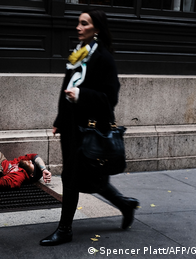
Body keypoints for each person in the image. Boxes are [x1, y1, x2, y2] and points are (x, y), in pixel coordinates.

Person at [39, 9, 139, 246]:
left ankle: (65, 230)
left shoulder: (104, 58)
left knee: (73, 178)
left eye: (84, 24)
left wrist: (82, 95)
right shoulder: (80, 52)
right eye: (78, 23)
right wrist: (59, 120)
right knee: (88, 177)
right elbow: (67, 86)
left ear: (96, 29)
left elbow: (110, 98)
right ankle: (125, 204)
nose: (78, 27)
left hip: (90, 129)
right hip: (73, 127)